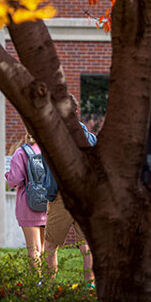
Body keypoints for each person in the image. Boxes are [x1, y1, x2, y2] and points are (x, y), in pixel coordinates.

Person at [43, 99, 97, 285]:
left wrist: (51, 195)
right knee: (86, 244)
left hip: (63, 196)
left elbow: (52, 171)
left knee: (51, 244)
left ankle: (48, 284)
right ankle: (89, 285)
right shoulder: (91, 138)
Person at [5, 133, 49, 271]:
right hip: (47, 202)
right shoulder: (49, 150)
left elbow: (14, 180)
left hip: (28, 204)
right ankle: (46, 280)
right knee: (44, 248)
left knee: (33, 249)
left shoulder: (21, 152)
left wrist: (8, 175)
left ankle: (36, 281)